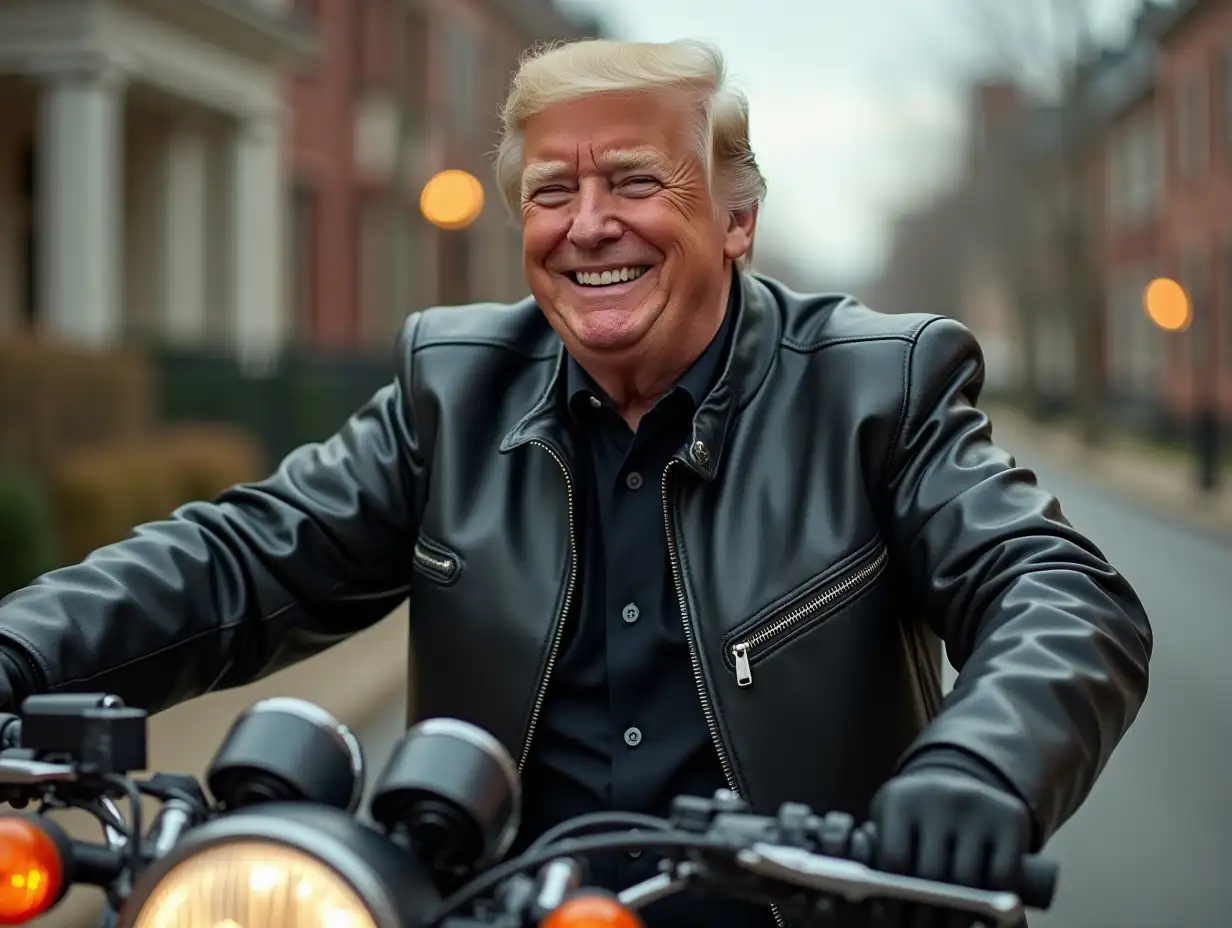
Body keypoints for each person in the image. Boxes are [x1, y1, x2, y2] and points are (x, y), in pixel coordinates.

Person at [0, 38, 1150, 928]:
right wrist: (19, 648)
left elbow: (1056, 592)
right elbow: (243, 558)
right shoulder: (455, 388)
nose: (588, 224)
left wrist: (974, 767)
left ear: (737, 217)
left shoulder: (873, 386)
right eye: (550, 191)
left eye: (636, 181)